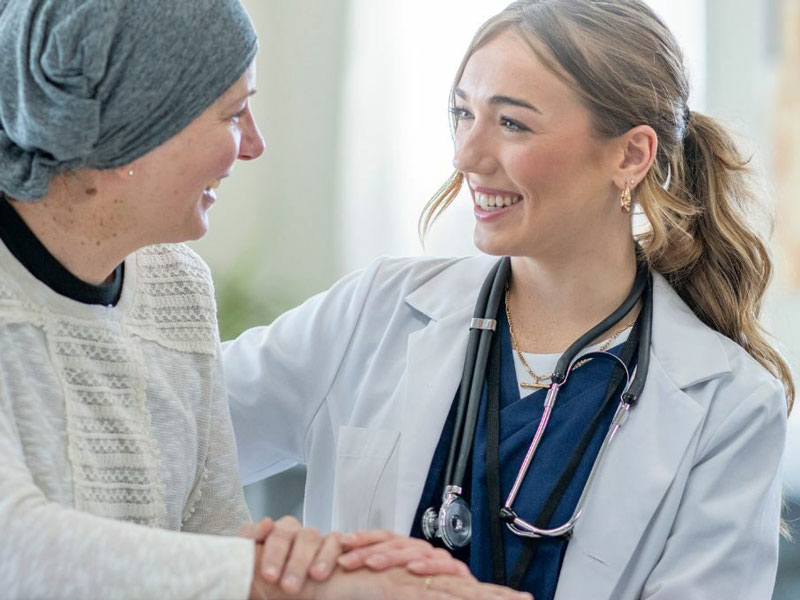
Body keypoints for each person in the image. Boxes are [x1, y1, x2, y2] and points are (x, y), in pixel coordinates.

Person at [223, 1, 796, 598]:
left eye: (512, 124)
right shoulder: (376, 311)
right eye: (463, 114)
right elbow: (162, 431)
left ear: (630, 156)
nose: (466, 156)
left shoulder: (729, 407)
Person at [0, 1, 534, 599]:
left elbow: (209, 534)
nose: (254, 145)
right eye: (233, 115)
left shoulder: (177, 286)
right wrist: (314, 586)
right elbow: (15, 544)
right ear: (135, 128)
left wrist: (300, 563)